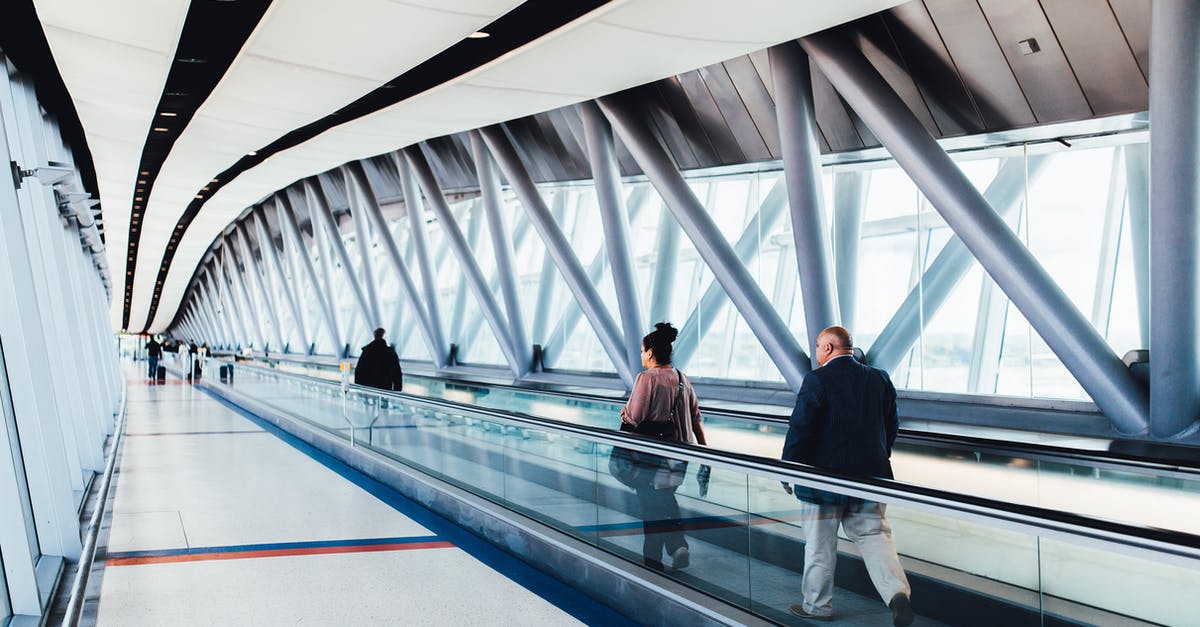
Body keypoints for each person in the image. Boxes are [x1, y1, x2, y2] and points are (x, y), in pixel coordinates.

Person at [782, 326, 913, 626]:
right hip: (871, 478)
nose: (815, 352)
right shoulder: (879, 378)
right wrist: (880, 456)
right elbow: (891, 424)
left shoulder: (817, 380)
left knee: (819, 546)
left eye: (817, 346)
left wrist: (788, 467)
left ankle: (818, 606)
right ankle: (897, 595)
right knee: (876, 537)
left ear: (828, 348)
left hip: (823, 482)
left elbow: (801, 428)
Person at [619, 322, 708, 571]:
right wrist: (704, 451)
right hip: (679, 454)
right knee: (665, 498)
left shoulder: (646, 378)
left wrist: (623, 414)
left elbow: (634, 417)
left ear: (649, 353)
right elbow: (696, 418)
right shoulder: (682, 379)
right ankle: (677, 546)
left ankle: (654, 559)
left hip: (652, 455)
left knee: (651, 504)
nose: (640, 356)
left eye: (641, 351)